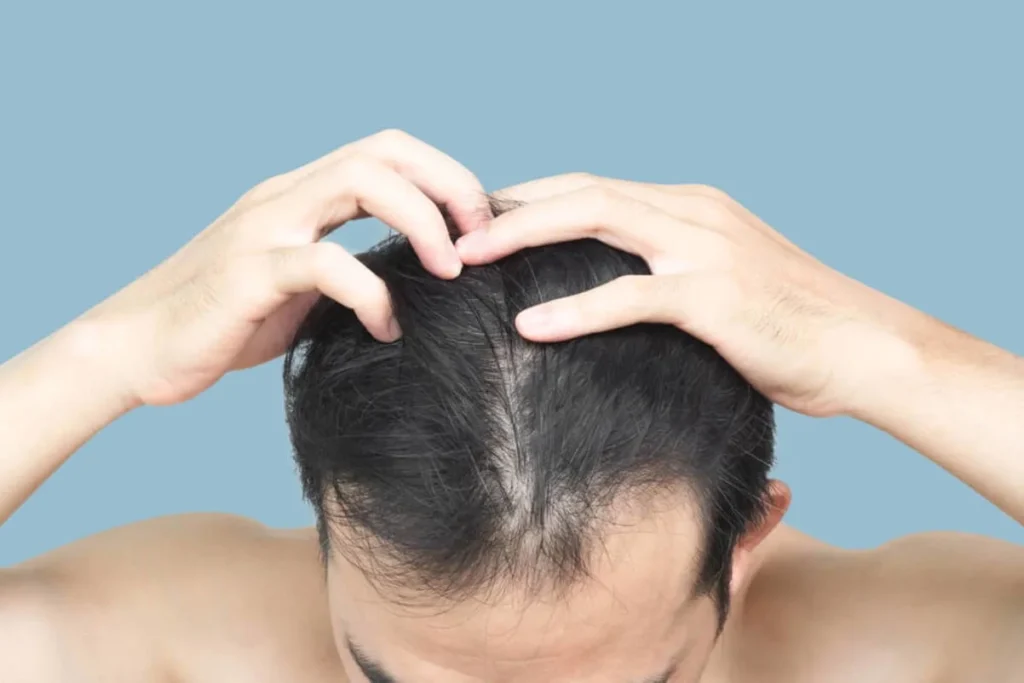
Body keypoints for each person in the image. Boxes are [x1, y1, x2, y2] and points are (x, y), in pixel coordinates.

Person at [0, 130, 1020, 683]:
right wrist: (111, 347)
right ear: (332, 528)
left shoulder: (909, 654)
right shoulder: (179, 647)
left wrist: (894, 354)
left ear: (744, 543)